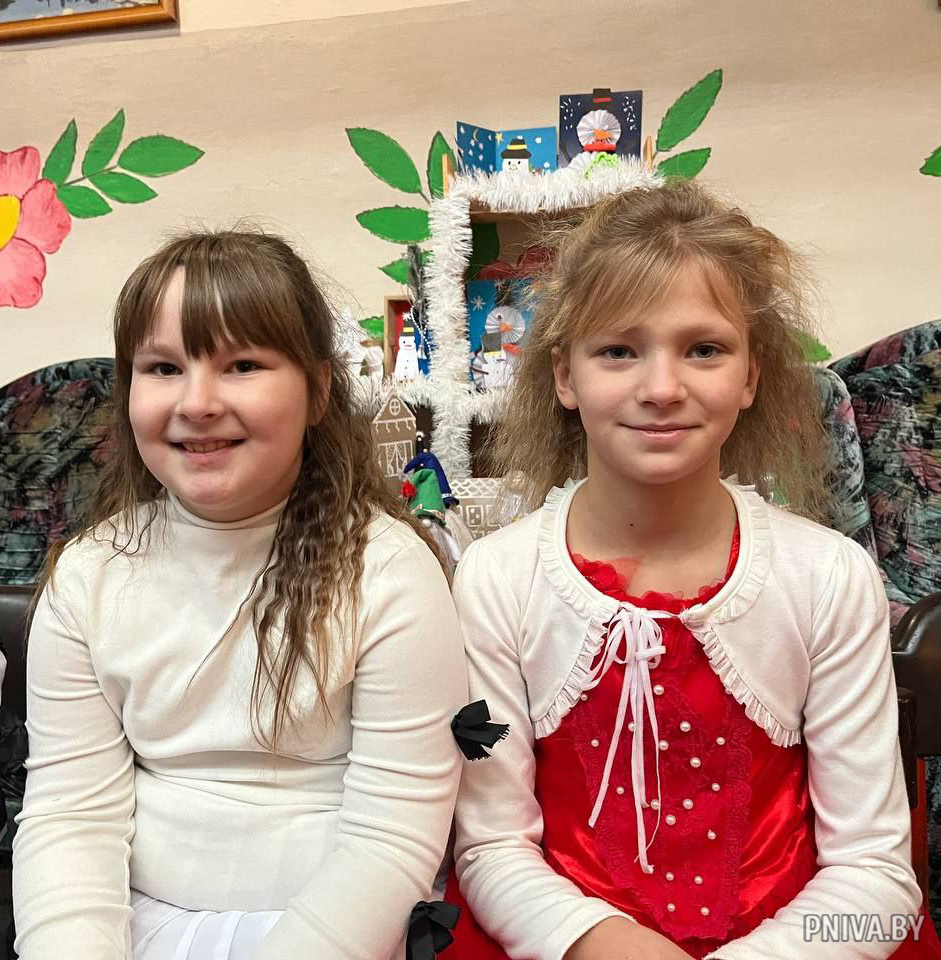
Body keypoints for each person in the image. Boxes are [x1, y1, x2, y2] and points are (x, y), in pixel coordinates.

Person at [446, 179, 941, 959]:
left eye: (703, 349)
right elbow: (489, 844)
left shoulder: (828, 578)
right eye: (618, 350)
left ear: (749, 376)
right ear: (565, 376)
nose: (661, 388)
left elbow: (874, 871)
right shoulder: (495, 579)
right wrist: (599, 942)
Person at [13, 230, 468, 960]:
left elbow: (392, 837)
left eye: (242, 365)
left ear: (319, 391)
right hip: (138, 924)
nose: (197, 402)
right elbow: (70, 817)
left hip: (341, 930)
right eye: (164, 368)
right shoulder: (88, 576)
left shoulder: (389, 570)